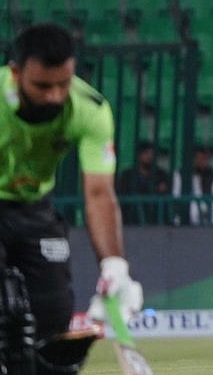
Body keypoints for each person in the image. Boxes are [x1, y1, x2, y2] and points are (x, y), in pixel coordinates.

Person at [0, 23, 144, 374]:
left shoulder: (89, 109)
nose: (54, 95)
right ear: (16, 73)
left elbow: (98, 192)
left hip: (34, 206)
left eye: (63, 84)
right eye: (42, 86)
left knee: (55, 319)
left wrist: (114, 265)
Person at [115, 139, 171, 225]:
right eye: (146, 153)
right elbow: (123, 194)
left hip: (155, 220)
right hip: (131, 220)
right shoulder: (127, 175)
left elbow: (166, 194)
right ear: (139, 155)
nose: (149, 157)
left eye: (152, 154)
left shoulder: (161, 174)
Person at [171, 144, 213, 226]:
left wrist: (207, 211)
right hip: (187, 213)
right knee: (178, 221)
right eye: (198, 158)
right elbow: (176, 196)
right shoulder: (180, 174)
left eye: (204, 159)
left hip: (211, 214)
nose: (201, 161)